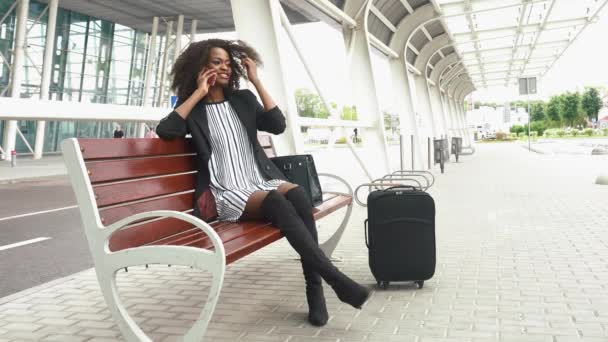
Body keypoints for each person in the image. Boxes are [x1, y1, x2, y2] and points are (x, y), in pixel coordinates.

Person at [156, 39, 369, 326]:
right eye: (217, 62)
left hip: (257, 177)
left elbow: (278, 125)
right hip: (226, 188)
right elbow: (166, 131)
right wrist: (198, 93)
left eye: (228, 64)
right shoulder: (192, 108)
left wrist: (256, 80)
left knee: (298, 195)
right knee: (276, 201)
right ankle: (334, 280)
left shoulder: (243, 99)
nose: (225, 68)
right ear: (200, 66)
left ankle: (315, 290)